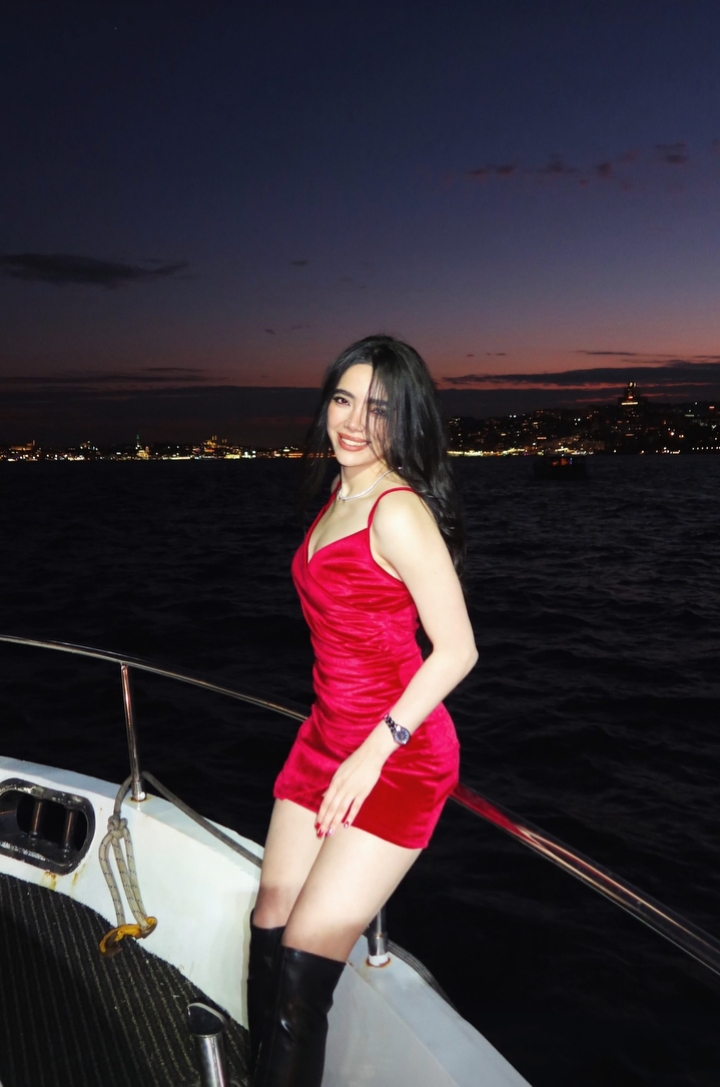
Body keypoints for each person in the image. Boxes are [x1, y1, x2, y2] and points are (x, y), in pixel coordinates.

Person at [248, 335, 478, 1087]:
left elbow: (458, 650)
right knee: (270, 918)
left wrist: (374, 750)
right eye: (343, 400)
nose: (352, 422)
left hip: (397, 754)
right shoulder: (339, 493)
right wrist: (341, 740)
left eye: (378, 409)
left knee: (304, 961)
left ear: (405, 420)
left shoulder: (397, 509)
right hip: (326, 737)